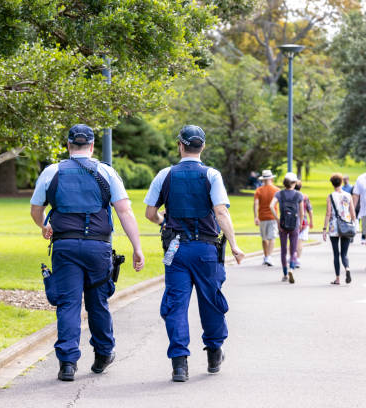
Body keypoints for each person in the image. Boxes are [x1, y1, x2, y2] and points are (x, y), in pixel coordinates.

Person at [30, 124, 145, 381]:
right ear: (92, 146)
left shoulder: (52, 172)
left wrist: (44, 225)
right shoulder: (106, 172)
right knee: (97, 303)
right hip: (98, 247)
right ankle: (104, 353)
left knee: (68, 304)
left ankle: (68, 363)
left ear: (68, 145)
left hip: (65, 246)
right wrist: (137, 248)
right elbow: (124, 211)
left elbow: (36, 208)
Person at [144, 125, 244, 382]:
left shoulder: (165, 175)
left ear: (180, 145)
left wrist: (163, 222)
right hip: (206, 249)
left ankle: (179, 364)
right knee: (210, 301)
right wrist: (233, 244)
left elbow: (150, 214)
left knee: (175, 304)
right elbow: (221, 212)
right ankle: (213, 354)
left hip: (175, 249)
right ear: (203, 146)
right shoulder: (211, 175)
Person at [269, 172, 304, 283]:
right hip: (294, 225)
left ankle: (284, 273)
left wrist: (277, 219)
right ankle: (291, 269)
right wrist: (300, 223)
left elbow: (271, 206)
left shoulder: (279, 194)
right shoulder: (299, 195)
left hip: (283, 224)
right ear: (294, 183)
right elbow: (302, 212)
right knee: (293, 250)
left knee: (283, 250)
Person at [322, 173, 356, 285]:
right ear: (341, 182)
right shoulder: (348, 195)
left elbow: (328, 213)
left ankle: (337, 278)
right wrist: (354, 223)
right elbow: (352, 212)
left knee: (336, 253)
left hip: (334, 227)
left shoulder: (330, 196)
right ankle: (347, 268)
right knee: (344, 254)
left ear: (332, 184)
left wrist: (324, 229)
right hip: (346, 225)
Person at [254, 169, 280, 266]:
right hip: (273, 217)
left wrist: (256, 217)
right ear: (271, 179)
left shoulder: (259, 190)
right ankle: (269, 257)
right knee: (272, 237)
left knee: (264, 238)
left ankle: (266, 256)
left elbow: (256, 204)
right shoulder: (277, 190)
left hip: (262, 217)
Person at [294, 180, 313, 268]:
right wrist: (311, 221)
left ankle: (292, 256)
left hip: (292, 221)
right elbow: (310, 210)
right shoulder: (305, 197)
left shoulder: (290, 196)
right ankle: (297, 259)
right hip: (303, 221)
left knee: (292, 239)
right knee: (300, 241)